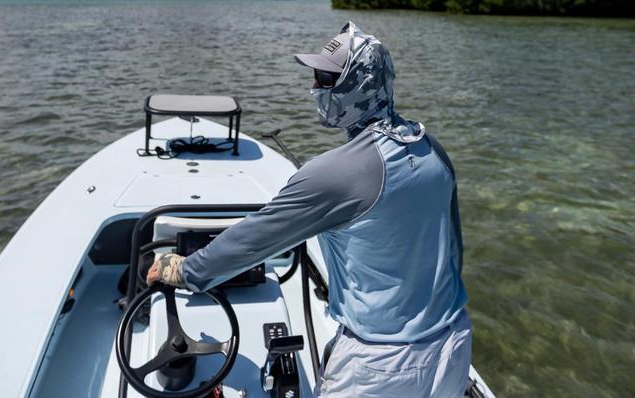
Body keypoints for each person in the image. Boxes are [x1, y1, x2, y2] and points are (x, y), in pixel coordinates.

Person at [148, 21, 472, 396]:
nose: (315, 88)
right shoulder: (432, 150)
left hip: (381, 366)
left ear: (357, 86)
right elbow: (452, 251)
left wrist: (183, 269)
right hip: (453, 342)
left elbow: (253, 240)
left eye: (325, 78)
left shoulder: (334, 172)